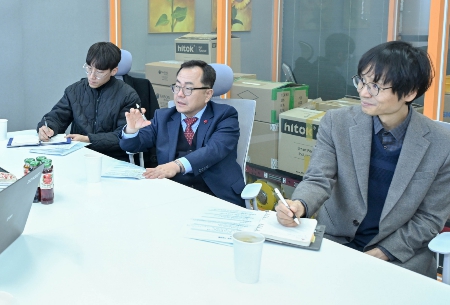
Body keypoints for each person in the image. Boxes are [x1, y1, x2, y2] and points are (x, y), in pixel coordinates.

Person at [276, 41, 450, 278]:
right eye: (362, 81)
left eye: (376, 86)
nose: (363, 92)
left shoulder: (442, 144)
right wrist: (300, 205)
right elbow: (318, 178)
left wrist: (381, 253)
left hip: (398, 255)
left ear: (409, 92)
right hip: (335, 242)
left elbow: (429, 219)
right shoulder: (337, 122)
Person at [119, 60, 245, 206]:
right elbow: (132, 146)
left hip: (217, 195)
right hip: (173, 195)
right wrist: (131, 130)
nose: (180, 94)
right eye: (177, 86)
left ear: (207, 94)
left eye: (188, 89)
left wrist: (176, 165)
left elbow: (214, 150)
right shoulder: (163, 117)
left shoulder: (225, 115)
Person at [37, 42, 141, 161]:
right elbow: (57, 117)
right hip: (78, 154)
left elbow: (124, 136)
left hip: (112, 158)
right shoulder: (74, 91)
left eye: (99, 72)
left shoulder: (128, 95)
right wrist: (48, 127)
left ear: (113, 71)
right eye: (89, 69)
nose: (92, 76)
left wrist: (88, 140)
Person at [294, 33, 356, 100]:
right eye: (349, 56)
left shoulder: (312, 68)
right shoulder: (334, 78)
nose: (349, 60)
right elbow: (343, 96)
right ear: (340, 55)